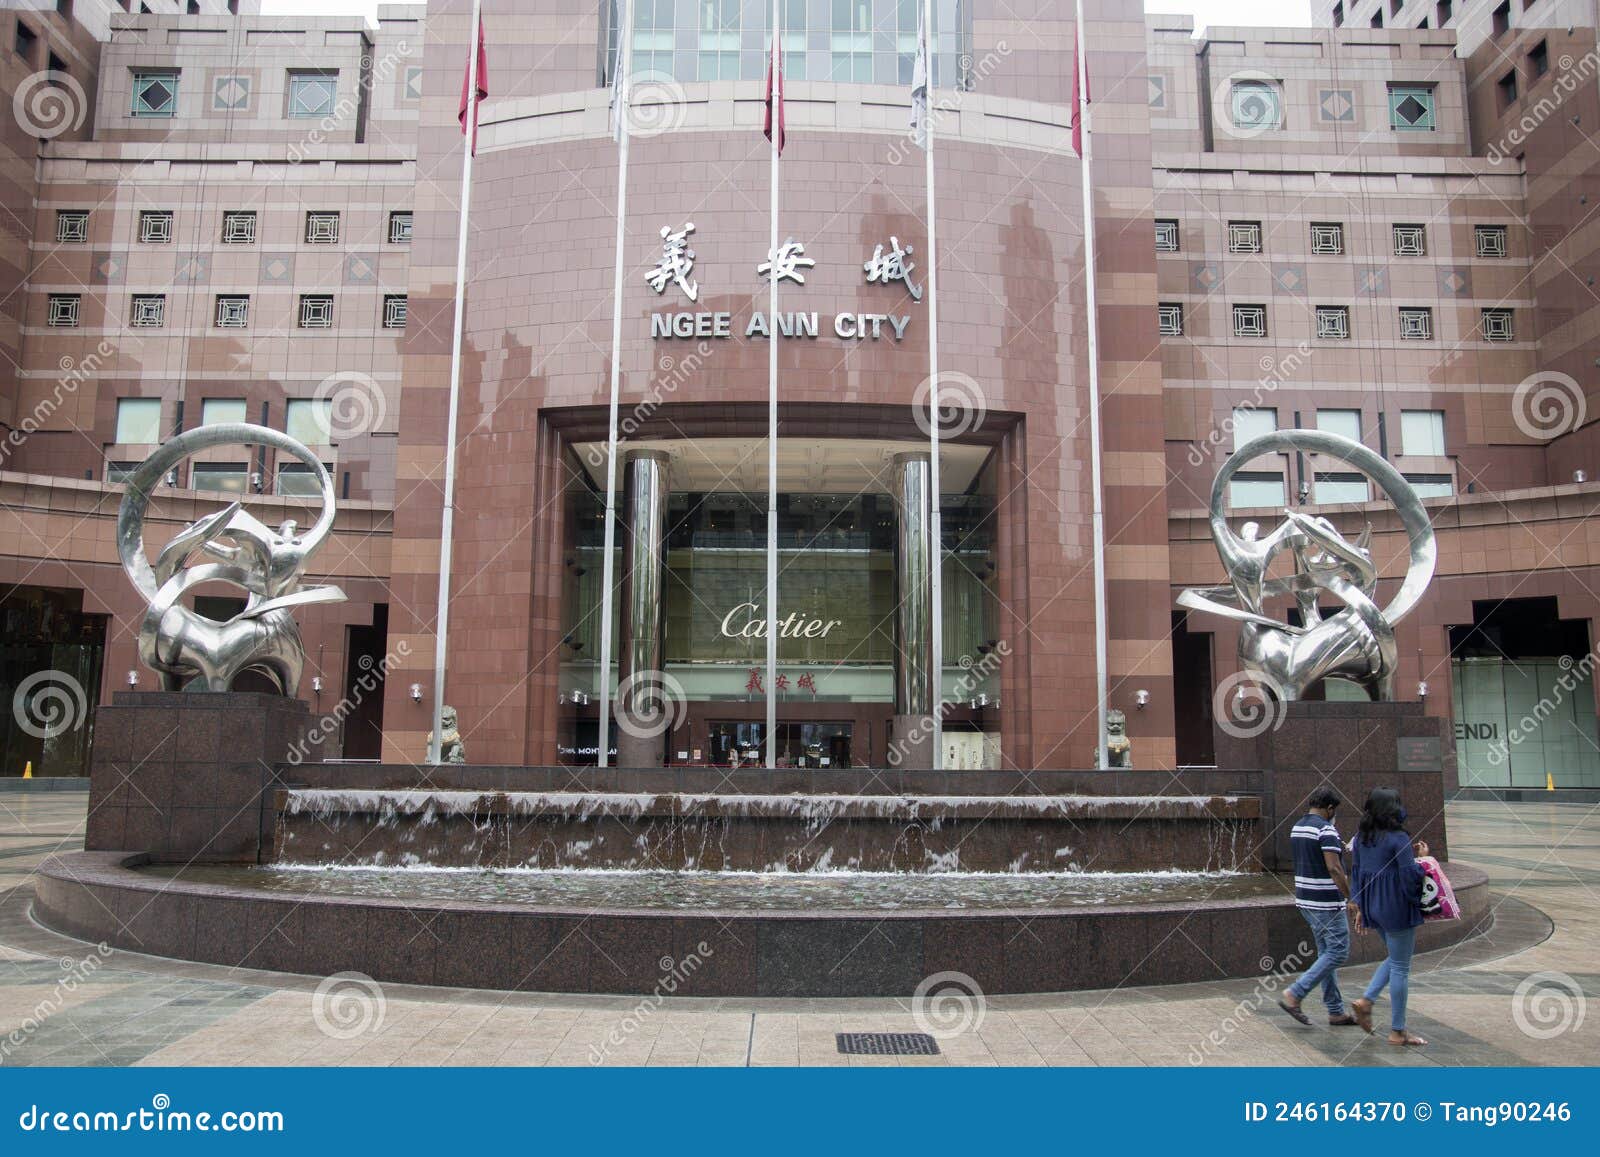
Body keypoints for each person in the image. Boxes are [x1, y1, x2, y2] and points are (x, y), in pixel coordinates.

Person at [1349, 787, 1429, 1046]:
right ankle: (1397, 1031)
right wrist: (1423, 861)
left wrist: (1359, 905)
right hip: (1395, 907)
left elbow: (1357, 872)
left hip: (1373, 906)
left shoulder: (1362, 837)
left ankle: (1366, 1001)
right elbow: (1409, 878)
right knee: (1401, 967)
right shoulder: (1399, 838)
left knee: (1396, 959)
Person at [1278, 788, 1359, 1027]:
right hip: (1326, 902)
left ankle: (1335, 1011)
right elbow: (1334, 868)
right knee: (1338, 952)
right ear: (1330, 808)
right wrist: (1351, 897)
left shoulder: (1298, 827)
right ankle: (1295, 993)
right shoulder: (1326, 829)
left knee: (1326, 953)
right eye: (1335, 812)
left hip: (1305, 899)